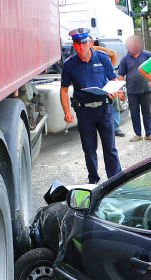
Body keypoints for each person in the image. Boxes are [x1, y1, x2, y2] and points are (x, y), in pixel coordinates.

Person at [60, 28, 122, 184]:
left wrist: (113, 91)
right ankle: (93, 180)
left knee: (110, 148)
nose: (81, 47)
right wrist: (66, 111)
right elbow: (64, 89)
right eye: (77, 44)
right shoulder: (69, 65)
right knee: (89, 149)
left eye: (83, 43)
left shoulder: (102, 58)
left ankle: (115, 179)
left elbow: (113, 80)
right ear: (74, 45)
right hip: (84, 111)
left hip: (104, 108)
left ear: (90, 43)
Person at [117, 35, 151, 142]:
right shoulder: (125, 59)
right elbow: (120, 75)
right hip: (132, 91)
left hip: (146, 90)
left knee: (147, 113)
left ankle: (149, 134)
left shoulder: (147, 55)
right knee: (134, 114)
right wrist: (120, 91)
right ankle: (138, 134)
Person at [92, 39, 125, 137]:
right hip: (94, 82)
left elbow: (113, 53)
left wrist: (110, 67)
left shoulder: (97, 51)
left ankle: (116, 128)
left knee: (113, 102)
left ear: (91, 43)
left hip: (105, 79)